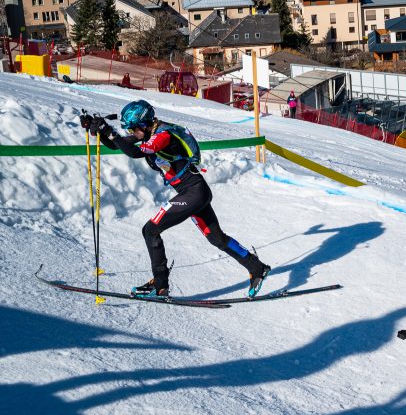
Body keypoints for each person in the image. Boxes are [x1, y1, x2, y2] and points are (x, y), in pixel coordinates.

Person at [79, 100, 270, 298]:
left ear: (144, 124)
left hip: (193, 193)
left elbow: (135, 152)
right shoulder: (149, 132)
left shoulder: (163, 135)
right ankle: (258, 268)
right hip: (194, 192)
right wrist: (99, 129)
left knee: (150, 230)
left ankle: (160, 286)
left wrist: (108, 131)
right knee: (216, 238)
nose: (132, 133)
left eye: (133, 128)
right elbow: (117, 144)